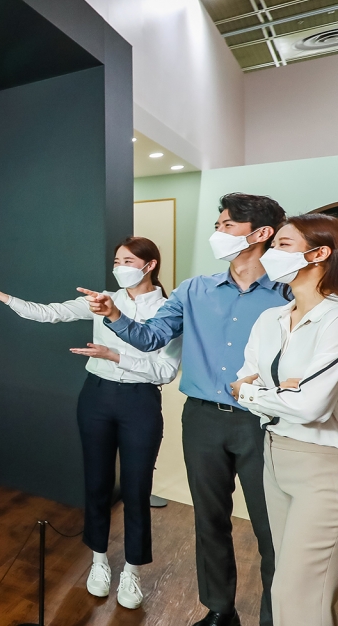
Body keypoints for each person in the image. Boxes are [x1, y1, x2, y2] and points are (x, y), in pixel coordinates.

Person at [80, 193, 288, 626]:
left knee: (272, 529)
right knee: (210, 521)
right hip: (202, 419)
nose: (218, 233)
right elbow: (151, 337)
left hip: (264, 422)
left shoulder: (288, 293)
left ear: (261, 233)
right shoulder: (194, 290)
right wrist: (115, 315)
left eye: (227, 225)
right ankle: (219, 611)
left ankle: (277, 617)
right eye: (218, 225)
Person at [0, 237, 181, 610]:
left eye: (128, 261)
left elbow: (164, 371)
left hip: (140, 402)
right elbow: (49, 313)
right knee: (96, 483)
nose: (119, 267)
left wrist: (115, 356)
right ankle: (98, 561)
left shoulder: (168, 309)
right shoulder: (100, 300)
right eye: (116, 260)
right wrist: (2, 297)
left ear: (150, 265)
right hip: (96, 396)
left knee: (136, 488)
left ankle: (132, 570)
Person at [230, 214, 338, 626]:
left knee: (300, 594)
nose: (270, 253)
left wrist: (259, 392)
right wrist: (279, 392)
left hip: (322, 466)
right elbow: (239, 384)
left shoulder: (334, 320)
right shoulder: (270, 319)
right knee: (289, 583)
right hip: (273, 455)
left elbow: (312, 407)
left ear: (319, 254)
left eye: (283, 245)